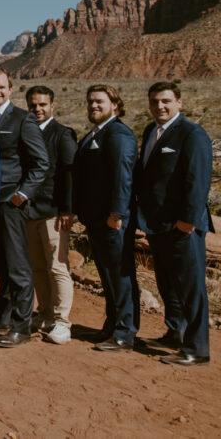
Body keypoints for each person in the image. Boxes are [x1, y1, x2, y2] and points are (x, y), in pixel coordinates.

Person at [134, 82, 213, 366]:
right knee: (167, 283)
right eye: (154, 101)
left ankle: (197, 349)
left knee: (191, 287)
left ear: (179, 102)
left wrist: (187, 222)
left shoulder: (192, 134)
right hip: (157, 224)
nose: (160, 107)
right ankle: (175, 332)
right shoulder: (150, 131)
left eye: (166, 101)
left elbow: (198, 181)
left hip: (183, 226)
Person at [0, 69, 48, 347]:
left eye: (1, 87)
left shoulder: (23, 119)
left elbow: (41, 163)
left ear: (11, 88)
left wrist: (23, 194)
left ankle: (22, 325)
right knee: (1, 265)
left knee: (18, 266)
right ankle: (2, 317)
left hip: (10, 202)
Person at [71, 84, 139, 352]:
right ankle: (113, 326)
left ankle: (125, 333)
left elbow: (123, 177)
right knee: (108, 275)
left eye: (99, 101)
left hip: (113, 220)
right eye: (90, 102)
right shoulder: (95, 134)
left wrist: (117, 213)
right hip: (97, 219)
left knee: (120, 276)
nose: (93, 106)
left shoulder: (118, 134)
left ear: (115, 105)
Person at [24, 86, 77, 345]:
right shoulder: (26, 131)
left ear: (52, 106)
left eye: (42, 104)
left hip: (54, 211)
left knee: (57, 267)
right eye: (33, 105)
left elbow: (69, 173)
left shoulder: (62, 134)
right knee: (37, 268)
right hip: (29, 210)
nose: (37, 109)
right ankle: (44, 314)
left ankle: (62, 321)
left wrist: (68, 209)